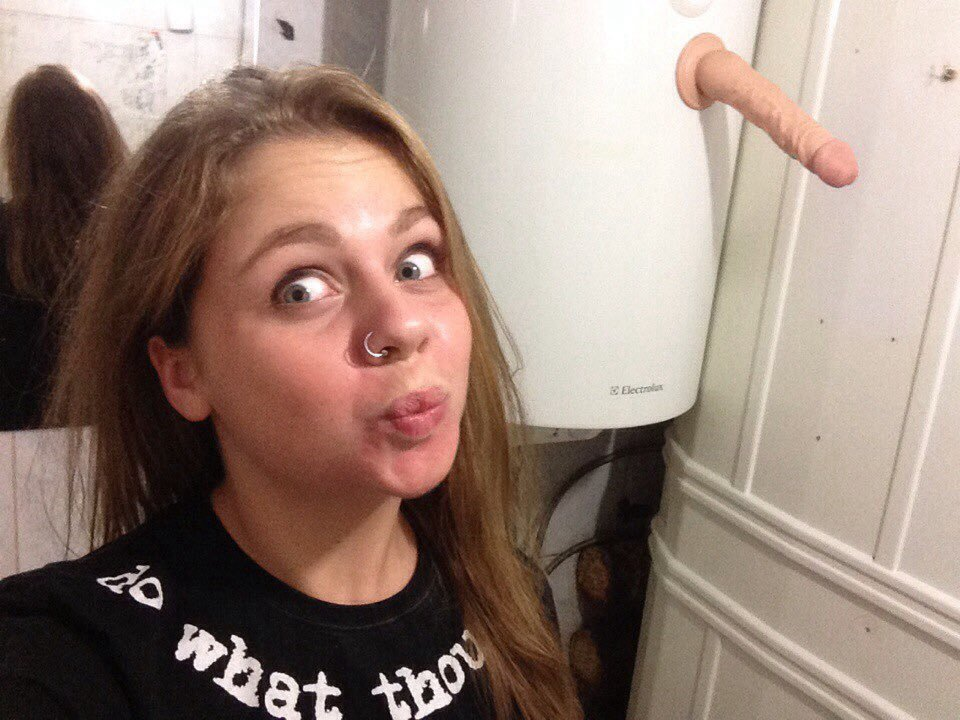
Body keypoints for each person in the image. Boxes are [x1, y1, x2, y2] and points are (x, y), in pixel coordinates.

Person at [0, 65, 583, 719]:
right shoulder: (70, 655)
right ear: (184, 373)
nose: (403, 325)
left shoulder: (512, 596)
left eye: (414, 263)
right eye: (301, 288)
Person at [0, 64, 127, 430]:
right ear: (101, 135)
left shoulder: (7, 235)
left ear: (20, 150)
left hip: (16, 439)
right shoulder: (135, 230)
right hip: (119, 435)